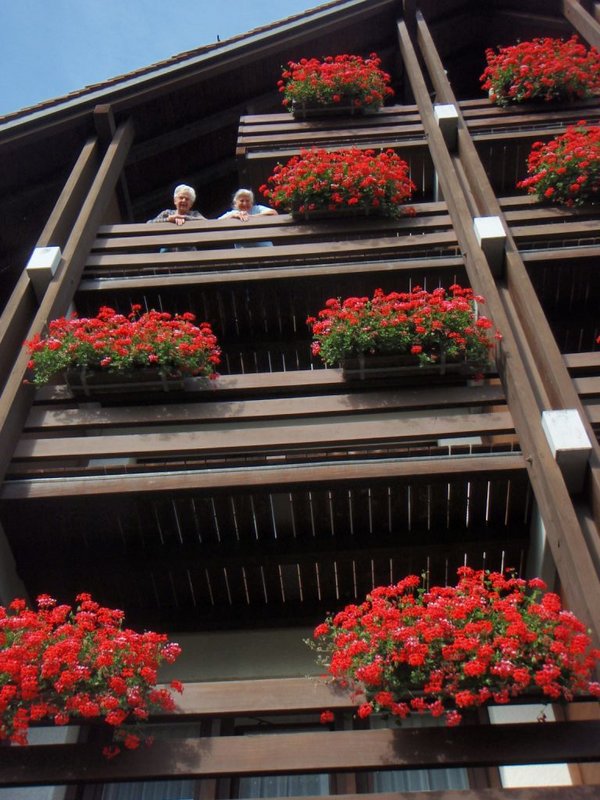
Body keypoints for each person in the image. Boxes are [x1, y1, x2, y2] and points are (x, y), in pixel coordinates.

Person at [147, 184, 205, 251]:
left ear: (191, 204)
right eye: (181, 198)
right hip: (167, 253)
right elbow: (149, 224)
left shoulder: (194, 214)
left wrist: (182, 218)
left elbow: (206, 222)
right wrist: (168, 220)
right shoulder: (167, 213)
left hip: (188, 253)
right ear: (175, 201)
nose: (184, 200)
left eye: (187, 199)